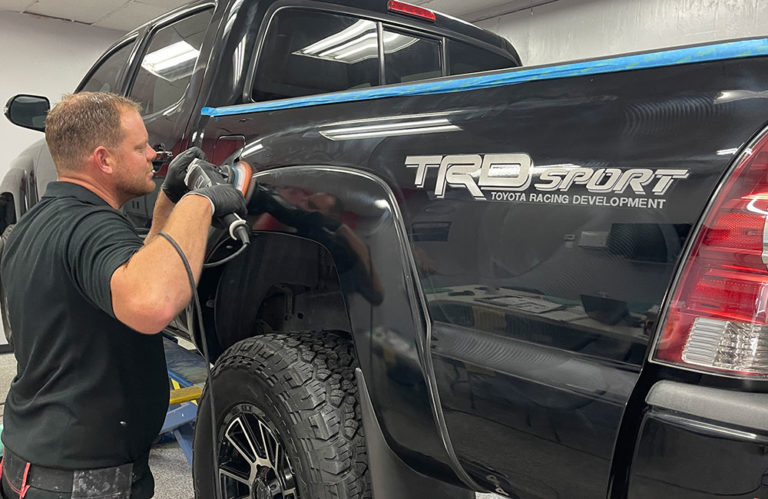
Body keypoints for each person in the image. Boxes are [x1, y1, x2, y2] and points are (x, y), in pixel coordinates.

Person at [0, 91, 245, 498]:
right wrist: (200, 204)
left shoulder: (40, 223)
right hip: (80, 485)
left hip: (35, 463)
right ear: (104, 159)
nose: (154, 153)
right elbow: (151, 304)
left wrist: (169, 197)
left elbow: (131, 272)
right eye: (140, 146)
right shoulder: (92, 225)